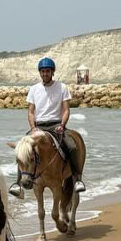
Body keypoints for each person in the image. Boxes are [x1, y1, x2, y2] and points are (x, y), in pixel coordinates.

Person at [26, 58, 83, 190]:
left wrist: (62, 124)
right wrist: (33, 128)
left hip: (56, 124)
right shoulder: (34, 89)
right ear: (40, 73)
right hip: (39, 126)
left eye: (47, 71)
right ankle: (20, 183)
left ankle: (77, 178)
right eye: (43, 71)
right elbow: (30, 112)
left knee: (72, 145)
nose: (45, 74)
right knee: (23, 148)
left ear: (52, 72)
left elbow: (66, 110)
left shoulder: (62, 87)